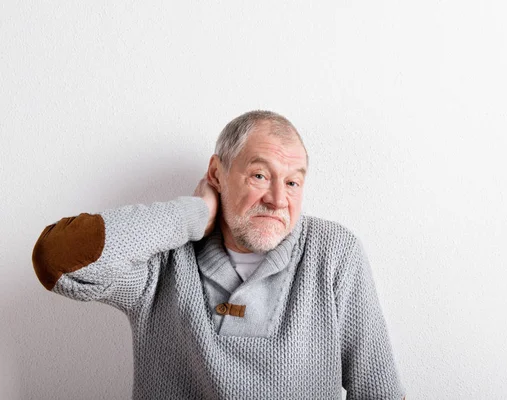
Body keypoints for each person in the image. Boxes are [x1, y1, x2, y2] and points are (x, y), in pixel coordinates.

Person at [31, 110, 406, 399]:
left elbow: (379, 391)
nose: (278, 199)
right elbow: (56, 258)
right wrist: (193, 215)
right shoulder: (163, 261)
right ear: (217, 173)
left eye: (293, 182)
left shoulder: (334, 253)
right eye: (260, 175)